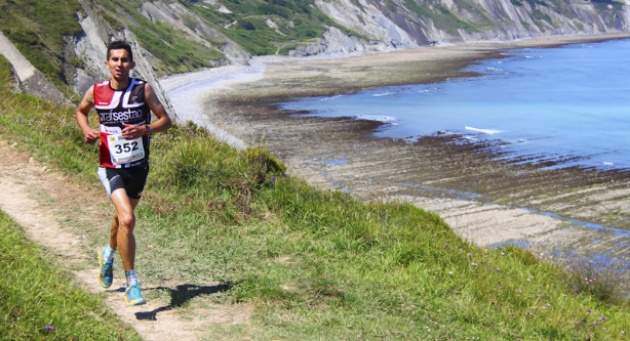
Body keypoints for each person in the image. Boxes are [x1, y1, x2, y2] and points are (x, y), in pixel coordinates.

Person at [75, 41, 172, 306]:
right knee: (128, 219)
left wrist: (145, 130)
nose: (119, 64)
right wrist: (86, 130)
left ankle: (107, 254)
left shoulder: (143, 89)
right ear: (107, 64)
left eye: (124, 59)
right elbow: (81, 112)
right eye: (115, 60)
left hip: (138, 167)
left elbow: (167, 121)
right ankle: (132, 283)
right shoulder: (96, 91)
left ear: (132, 63)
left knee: (122, 218)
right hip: (110, 166)